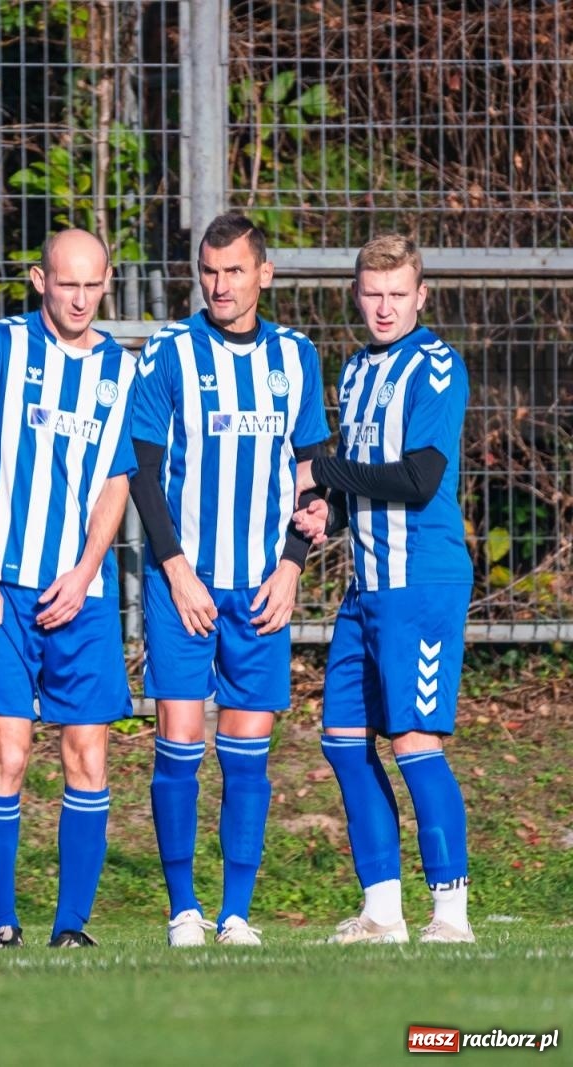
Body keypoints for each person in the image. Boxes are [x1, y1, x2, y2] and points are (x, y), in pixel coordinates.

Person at [128, 212, 330, 947]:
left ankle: (236, 913)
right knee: (179, 745)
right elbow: (142, 470)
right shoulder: (169, 350)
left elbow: (311, 473)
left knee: (248, 756)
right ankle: (183, 908)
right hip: (186, 581)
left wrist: (293, 566)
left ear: (263, 274)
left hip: (261, 586)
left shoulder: (296, 356)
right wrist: (176, 567)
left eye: (235, 271)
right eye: (209, 272)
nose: (220, 285)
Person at [0, 228, 137, 949]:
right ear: (39, 280)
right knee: (9, 752)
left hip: (82, 595)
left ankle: (71, 927)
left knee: (87, 753)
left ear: (107, 283)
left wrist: (85, 571)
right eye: (66, 283)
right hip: (2, 589)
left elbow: (116, 480)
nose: (80, 299)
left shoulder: (121, 368)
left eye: (92, 285)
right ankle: (1, 923)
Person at [292, 235, 474, 944]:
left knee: (414, 741)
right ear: (356, 294)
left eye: (399, 294)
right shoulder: (356, 370)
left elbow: (418, 479)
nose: (385, 307)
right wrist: (329, 514)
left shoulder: (436, 366)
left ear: (421, 295)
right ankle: (382, 912)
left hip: (420, 582)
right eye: (373, 294)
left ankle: (451, 916)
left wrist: (323, 473)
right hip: (365, 586)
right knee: (342, 739)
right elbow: (364, 479)